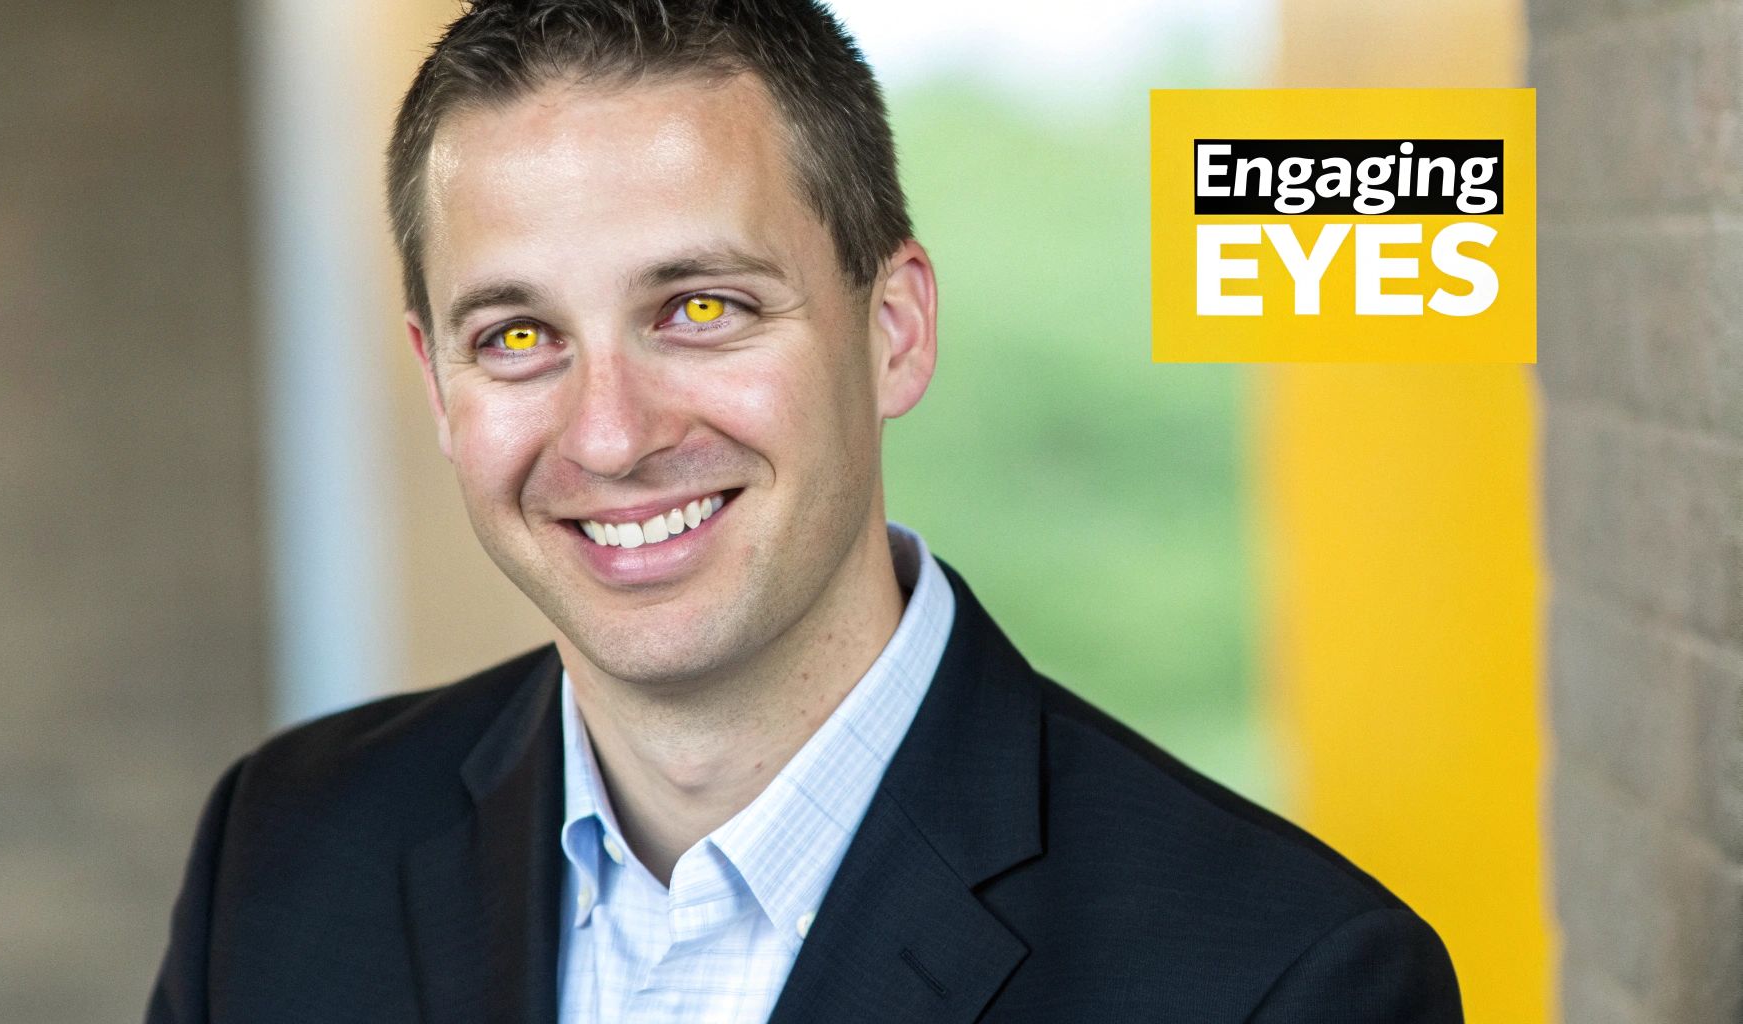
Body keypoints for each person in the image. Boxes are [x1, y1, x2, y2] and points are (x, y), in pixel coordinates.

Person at [147, 1, 1464, 1021]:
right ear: (440, 384)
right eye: (517, 335)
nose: (610, 434)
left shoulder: (1284, 982)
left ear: (893, 331)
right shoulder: (285, 851)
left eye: (700, 310)